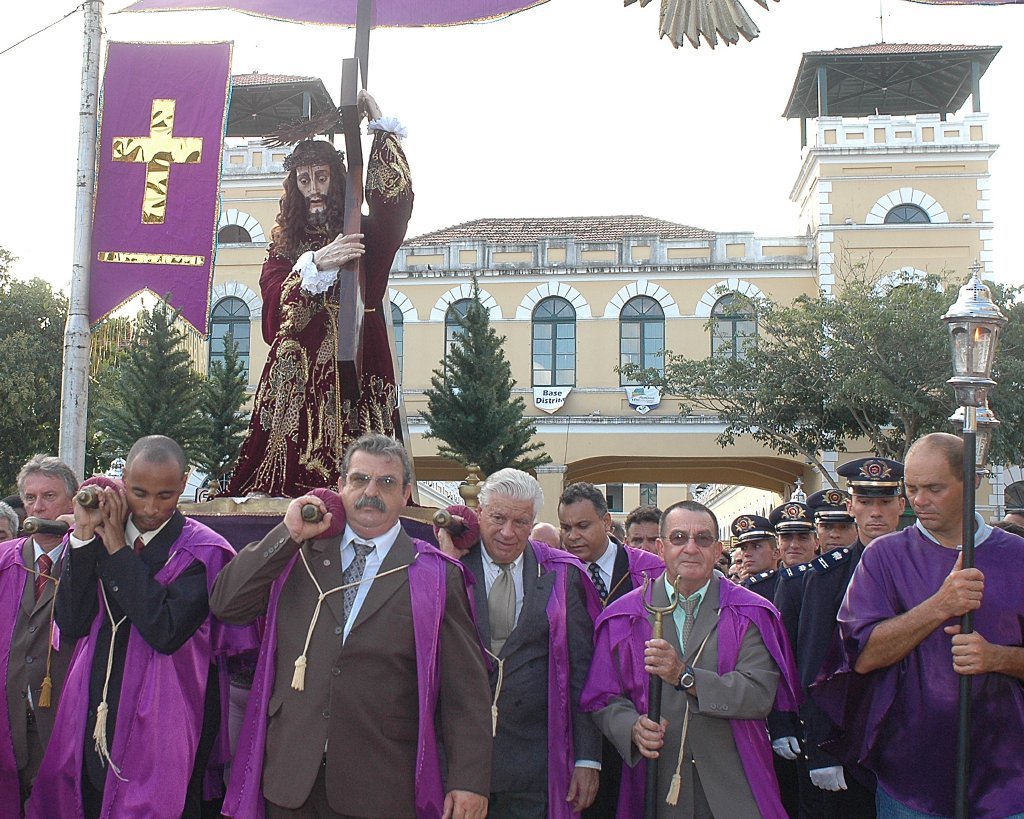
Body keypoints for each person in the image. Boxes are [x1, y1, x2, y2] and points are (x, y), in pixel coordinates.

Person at [213, 433, 491, 818]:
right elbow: (228, 604)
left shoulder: (434, 575)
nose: (370, 492)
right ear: (340, 487)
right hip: (291, 778)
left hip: (380, 785)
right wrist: (288, 533)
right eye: (360, 480)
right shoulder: (299, 554)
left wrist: (469, 780)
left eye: (386, 482)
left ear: (406, 493)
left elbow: (466, 690)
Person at [28, 436, 242, 819]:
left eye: (166, 495)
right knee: (86, 800)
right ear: (123, 478)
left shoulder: (202, 551)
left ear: (184, 483)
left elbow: (164, 631)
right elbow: (72, 623)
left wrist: (118, 552)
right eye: (139, 493)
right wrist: (81, 537)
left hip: (165, 718)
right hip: (93, 703)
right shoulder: (98, 532)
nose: (151, 509)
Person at [814, 435, 1024, 818]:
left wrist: (998, 657)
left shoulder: (1017, 557)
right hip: (908, 777)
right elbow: (859, 656)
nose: (919, 501)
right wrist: (939, 606)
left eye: (934, 488)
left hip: (1007, 775)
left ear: (971, 482)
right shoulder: (885, 557)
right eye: (911, 489)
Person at [225, 91, 414, 498]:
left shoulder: (364, 234)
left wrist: (381, 131)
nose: (314, 188)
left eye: (322, 177)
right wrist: (315, 265)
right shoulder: (284, 246)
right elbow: (274, 316)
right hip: (296, 379)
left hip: (360, 365)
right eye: (304, 179)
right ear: (293, 184)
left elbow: (396, 205)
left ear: (338, 178)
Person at [582, 500, 801, 818]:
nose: (691, 548)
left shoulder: (750, 612)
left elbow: (758, 694)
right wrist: (630, 727)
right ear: (660, 548)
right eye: (679, 538)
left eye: (703, 539)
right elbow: (602, 697)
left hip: (736, 785)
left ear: (717, 549)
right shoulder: (623, 616)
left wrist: (686, 676)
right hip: (655, 787)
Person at [444, 468, 602, 818]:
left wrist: (587, 757)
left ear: (533, 523)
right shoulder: (446, 567)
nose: (507, 532)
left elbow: (583, 673)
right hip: (454, 760)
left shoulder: (563, 574)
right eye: (498, 518)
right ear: (479, 512)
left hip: (534, 765)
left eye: (521, 522)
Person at [771, 458, 905, 819]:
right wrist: (821, 752)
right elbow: (813, 665)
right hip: (848, 742)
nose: (875, 513)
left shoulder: (922, 565)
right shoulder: (826, 577)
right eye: (865, 502)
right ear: (851, 507)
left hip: (909, 738)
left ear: (901, 506)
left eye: (885, 502)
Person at [557, 482, 663, 819]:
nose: (572, 536)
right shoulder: (556, 573)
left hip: (636, 716)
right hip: (573, 719)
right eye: (565, 527)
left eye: (582, 526)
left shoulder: (651, 572)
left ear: (606, 523)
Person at [0, 456, 78, 812]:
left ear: (72, 501)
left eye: (49, 496)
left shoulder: (88, 560)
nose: (38, 506)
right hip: (9, 719)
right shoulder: (4, 560)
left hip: (64, 719)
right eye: (30, 498)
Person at [733, 513, 780, 599]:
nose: (747, 554)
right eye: (744, 548)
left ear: (775, 553)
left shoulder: (783, 585)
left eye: (756, 546)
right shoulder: (740, 588)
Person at [770, 500, 819, 569]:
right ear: (778, 543)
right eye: (787, 538)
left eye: (803, 538)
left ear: (816, 543)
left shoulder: (832, 579)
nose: (794, 545)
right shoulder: (768, 579)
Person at [807, 489, 857, 553]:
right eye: (827, 527)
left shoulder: (867, 562)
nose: (835, 535)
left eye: (844, 527)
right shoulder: (809, 563)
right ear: (816, 531)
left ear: (857, 531)